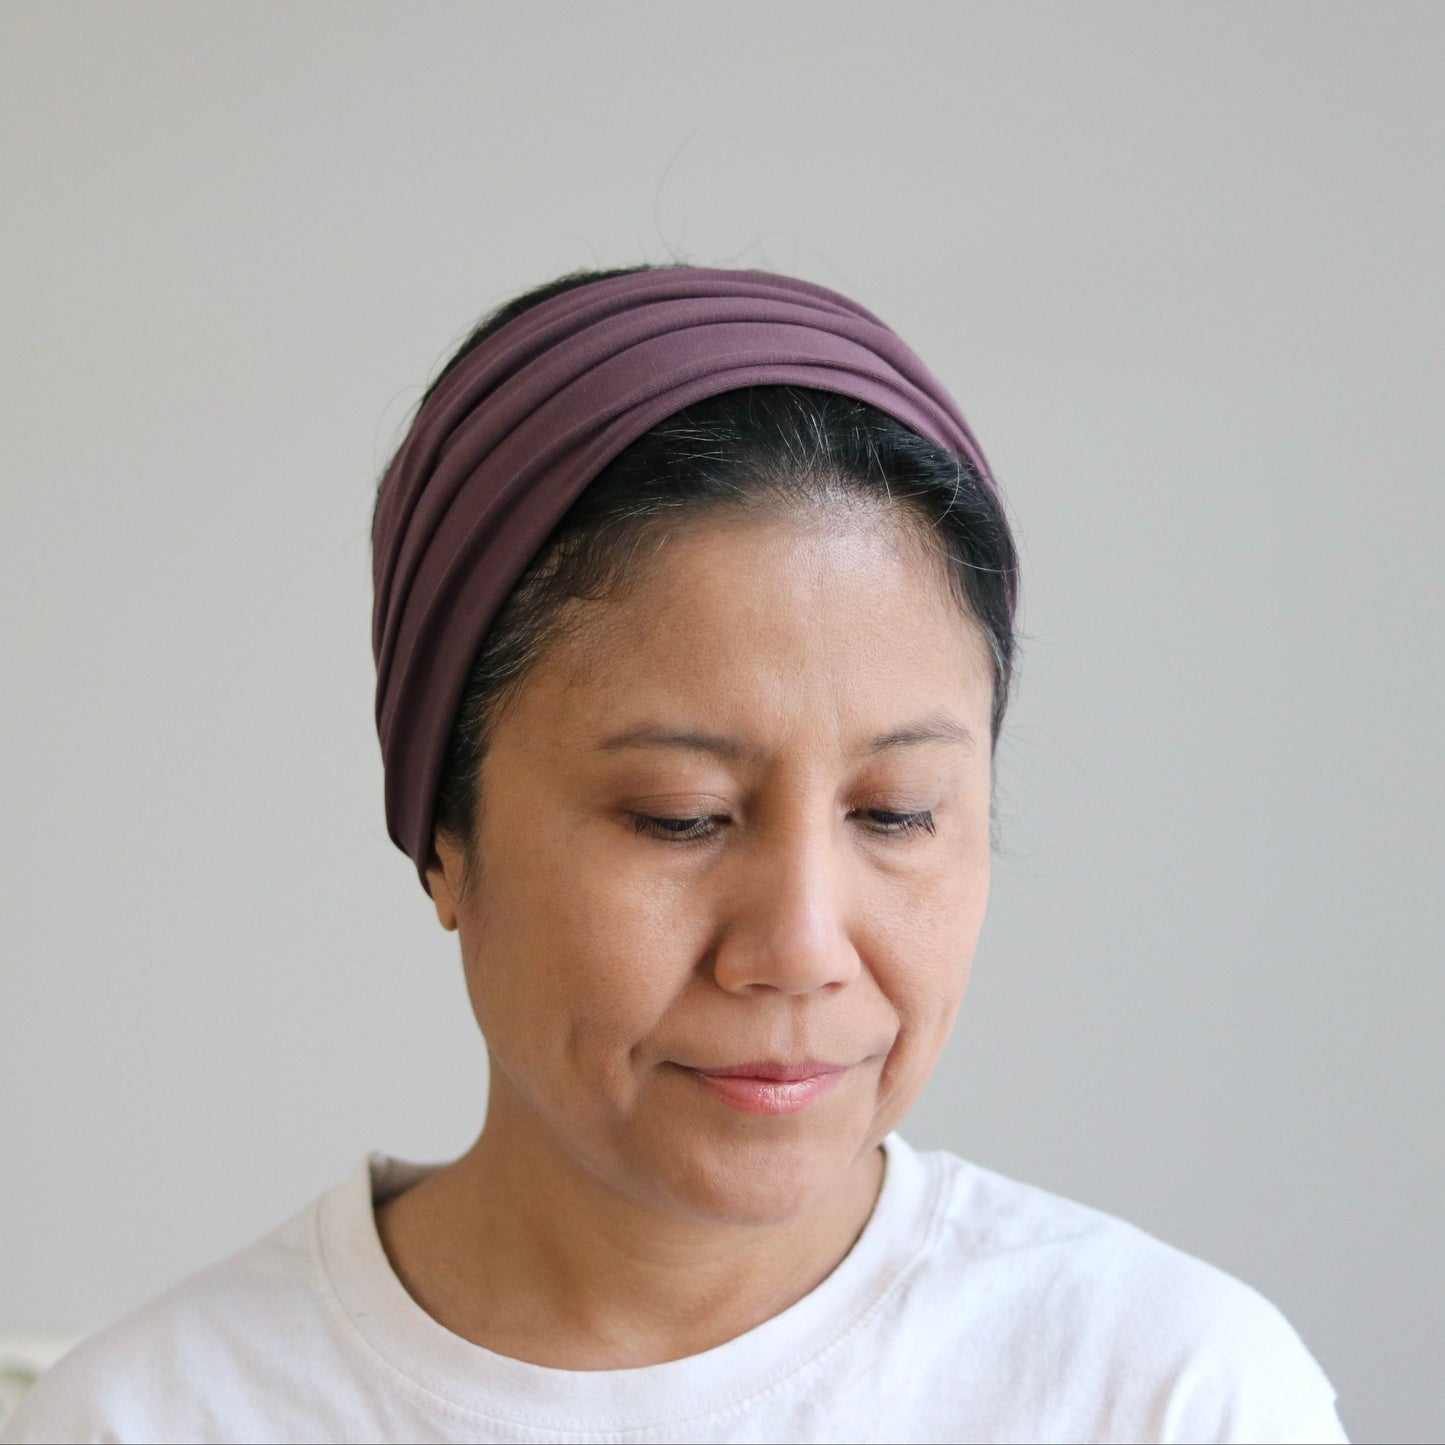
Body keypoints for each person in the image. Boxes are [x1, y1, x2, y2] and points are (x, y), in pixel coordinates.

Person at [3, 264, 1347, 1444]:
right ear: (443, 834)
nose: (799, 947)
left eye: (893, 813)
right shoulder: (154, 1418)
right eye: (680, 816)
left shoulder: (1170, 1394)